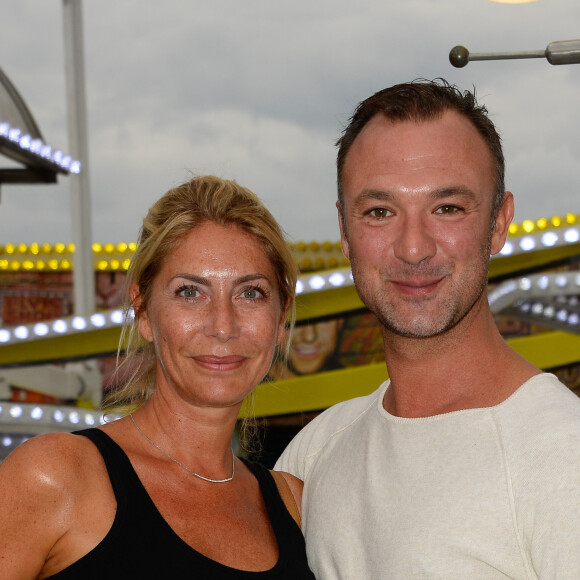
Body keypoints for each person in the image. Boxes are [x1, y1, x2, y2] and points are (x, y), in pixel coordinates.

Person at [276, 79, 580, 578]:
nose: (413, 247)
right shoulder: (316, 451)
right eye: (379, 212)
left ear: (499, 223)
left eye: (447, 208)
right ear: (345, 232)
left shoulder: (562, 456)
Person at [0, 175, 315, 579]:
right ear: (144, 312)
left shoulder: (295, 507)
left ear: (281, 318)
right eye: (190, 292)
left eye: (250, 293)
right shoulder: (57, 476)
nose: (223, 326)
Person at [270, 318, 344, 379]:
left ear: (340, 322)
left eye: (323, 319)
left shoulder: (350, 384)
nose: (309, 337)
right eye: (293, 319)